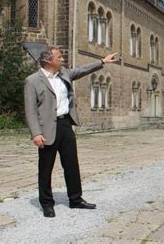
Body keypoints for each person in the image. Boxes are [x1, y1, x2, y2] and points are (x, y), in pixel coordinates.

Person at [24, 45, 117, 217]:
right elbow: (30, 110)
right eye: (59, 57)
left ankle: (76, 199)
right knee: (46, 168)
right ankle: (46, 203)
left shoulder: (64, 73)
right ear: (48, 60)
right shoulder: (33, 80)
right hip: (46, 130)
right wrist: (36, 133)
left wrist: (102, 61)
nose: (62, 59)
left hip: (66, 124)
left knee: (71, 164)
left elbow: (81, 70)